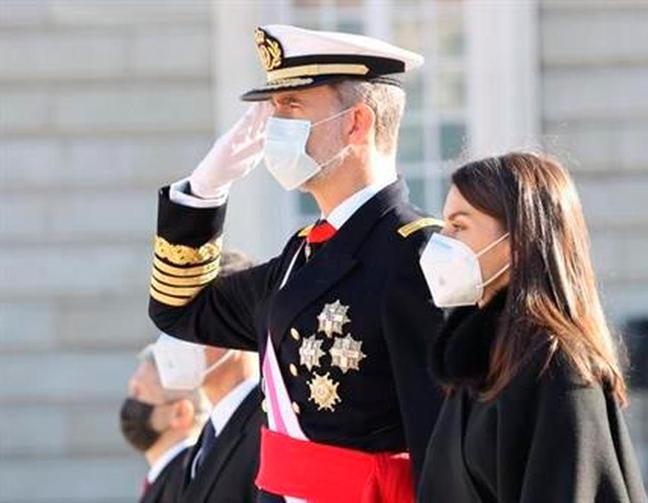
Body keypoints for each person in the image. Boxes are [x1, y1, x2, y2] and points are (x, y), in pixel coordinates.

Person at [146, 24, 443, 502]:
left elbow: (437, 437)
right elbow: (180, 310)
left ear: (356, 123)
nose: (271, 126)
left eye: (292, 107)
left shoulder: (416, 256)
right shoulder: (299, 256)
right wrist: (203, 192)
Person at [417, 152, 647, 502]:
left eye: (459, 226)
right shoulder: (476, 363)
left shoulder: (556, 367)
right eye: (445, 224)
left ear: (518, 242)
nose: (441, 238)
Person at [151, 250, 265, 503]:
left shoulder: (270, 428)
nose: (178, 335)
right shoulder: (206, 438)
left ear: (232, 324)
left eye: (193, 318)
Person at [120, 344, 208, 503]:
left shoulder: (188, 480)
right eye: (132, 391)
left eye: (139, 392)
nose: (131, 402)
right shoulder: (168, 477)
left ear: (180, 413)